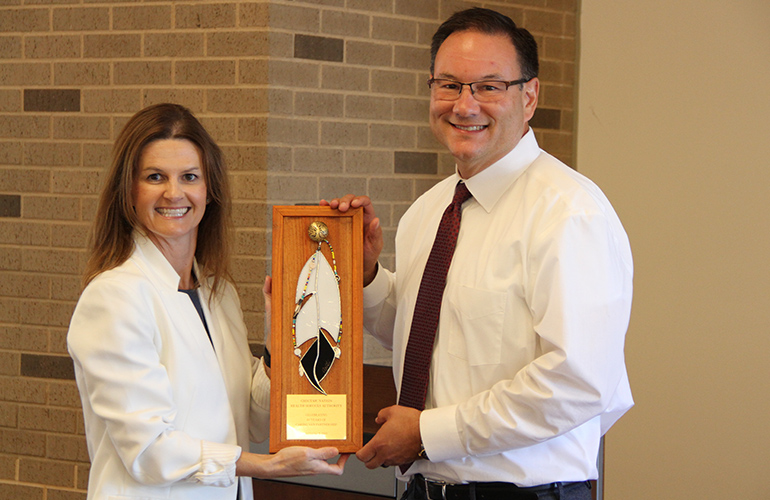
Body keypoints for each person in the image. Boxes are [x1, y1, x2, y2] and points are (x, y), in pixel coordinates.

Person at [326, 7, 633, 500]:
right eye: (448, 84)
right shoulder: (430, 210)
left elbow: (577, 381)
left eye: (489, 87)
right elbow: (424, 331)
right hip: (424, 489)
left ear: (528, 96)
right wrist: (365, 276)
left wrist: (429, 433)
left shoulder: (570, 214)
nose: (464, 105)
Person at [67, 103, 347, 500]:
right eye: (154, 177)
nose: (174, 192)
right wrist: (266, 466)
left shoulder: (219, 293)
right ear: (129, 190)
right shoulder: (114, 297)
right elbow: (149, 452)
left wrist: (277, 344)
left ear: (208, 189)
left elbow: (250, 426)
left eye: (189, 177)